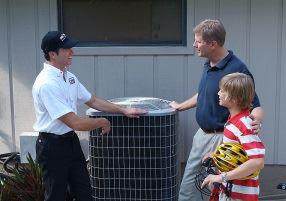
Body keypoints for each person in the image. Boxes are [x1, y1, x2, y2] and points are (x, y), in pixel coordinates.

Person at [32, 31, 146, 201]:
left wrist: (123, 110)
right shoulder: (47, 84)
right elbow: (75, 122)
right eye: (67, 49)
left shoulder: (68, 77)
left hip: (70, 142)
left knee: (84, 192)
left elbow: (92, 100)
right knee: (56, 196)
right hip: (52, 147)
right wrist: (102, 121)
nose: (72, 52)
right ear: (52, 54)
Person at [169, 19, 264, 201]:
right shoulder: (209, 64)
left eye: (198, 41)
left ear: (212, 44)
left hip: (222, 137)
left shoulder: (237, 69)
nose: (194, 45)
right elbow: (204, 93)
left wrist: (255, 121)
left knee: (217, 191)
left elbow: (254, 104)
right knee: (191, 187)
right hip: (202, 136)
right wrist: (180, 106)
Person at [201, 72, 265, 201]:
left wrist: (221, 177)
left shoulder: (243, 124)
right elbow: (239, 152)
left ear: (234, 98)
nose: (218, 93)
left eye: (222, 91)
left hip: (239, 195)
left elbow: (257, 161)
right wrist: (216, 155)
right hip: (230, 190)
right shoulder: (234, 121)